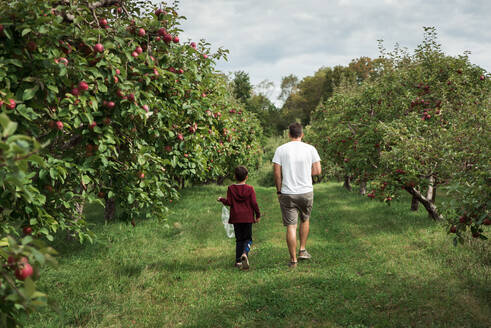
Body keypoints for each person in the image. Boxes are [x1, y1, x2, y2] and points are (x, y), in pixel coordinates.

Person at [272, 122, 321, 268]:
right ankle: (302, 250)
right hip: (306, 191)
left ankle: (293, 260)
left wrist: (279, 190)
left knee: (291, 226)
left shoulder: (281, 150)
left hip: (288, 192)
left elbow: (276, 173)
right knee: (305, 219)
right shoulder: (310, 149)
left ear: (289, 134)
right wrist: (306, 173)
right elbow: (318, 170)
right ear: (302, 134)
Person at [218, 166, 261, 270]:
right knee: (248, 239)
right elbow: (254, 203)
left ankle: (238, 261)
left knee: (239, 240)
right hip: (247, 218)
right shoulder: (250, 189)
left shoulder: (231, 189)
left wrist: (221, 199)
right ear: (246, 177)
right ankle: (245, 253)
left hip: (236, 218)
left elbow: (229, 202)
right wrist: (258, 215)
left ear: (234, 176)